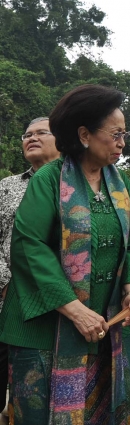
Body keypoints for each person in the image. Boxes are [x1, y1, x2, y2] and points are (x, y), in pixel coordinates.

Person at [0, 84, 130, 425]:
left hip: (102, 330)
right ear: (83, 135)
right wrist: (74, 308)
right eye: (116, 135)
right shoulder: (50, 179)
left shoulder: (120, 183)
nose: (122, 143)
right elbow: (28, 246)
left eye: (124, 135)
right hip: (44, 331)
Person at [0, 117, 60, 410]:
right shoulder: (7, 187)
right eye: (26, 134)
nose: (31, 138)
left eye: (41, 133)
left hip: (60, 304)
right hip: (6, 298)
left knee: (43, 395)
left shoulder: (77, 185)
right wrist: (7, 280)